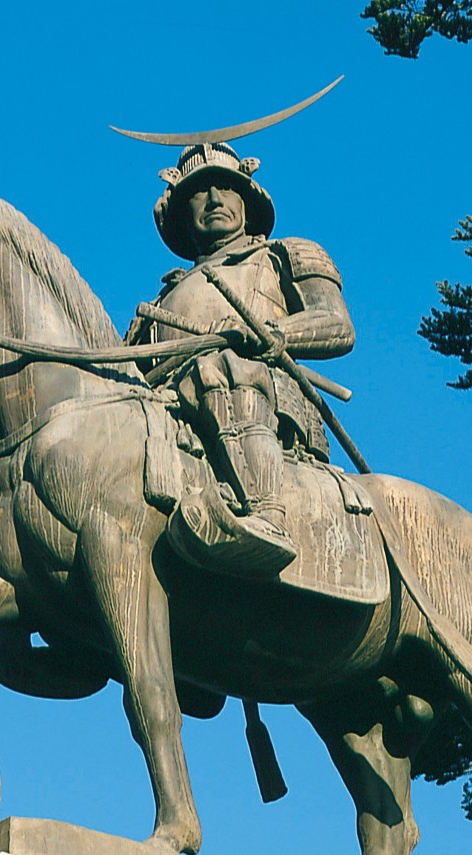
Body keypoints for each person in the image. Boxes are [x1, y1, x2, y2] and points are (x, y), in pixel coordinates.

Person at [129, 142, 354, 570]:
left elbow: (338, 326)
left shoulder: (282, 255)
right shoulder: (159, 303)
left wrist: (272, 333)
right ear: (181, 212)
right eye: (199, 192)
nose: (214, 199)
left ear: (247, 203)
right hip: (177, 417)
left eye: (226, 188)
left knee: (225, 365)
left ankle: (265, 511)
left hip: (260, 397)